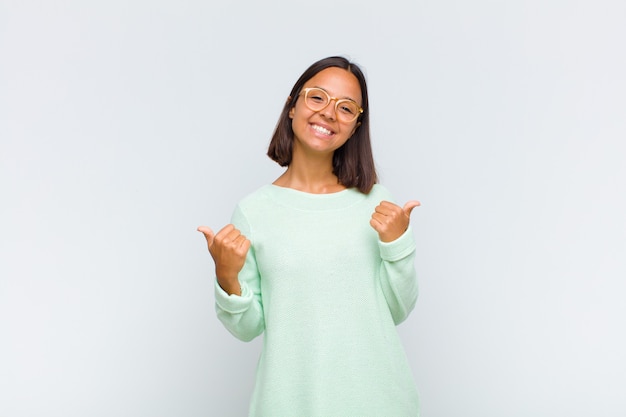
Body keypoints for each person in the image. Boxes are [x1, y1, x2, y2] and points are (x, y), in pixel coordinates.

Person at [198, 56, 421, 416]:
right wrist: (227, 277)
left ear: (355, 126)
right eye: (318, 98)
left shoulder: (378, 203)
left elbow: (398, 309)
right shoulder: (254, 211)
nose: (330, 113)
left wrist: (398, 245)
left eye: (346, 108)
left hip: (379, 402)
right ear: (292, 106)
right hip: (289, 404)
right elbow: (247, 327)